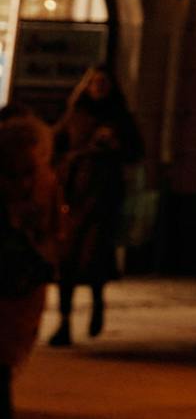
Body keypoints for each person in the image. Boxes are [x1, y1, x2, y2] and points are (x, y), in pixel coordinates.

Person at [48, 66, 143, 345]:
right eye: (94, 83)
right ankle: (64, 322)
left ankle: (97, 303)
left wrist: (115, 145)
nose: (98, 88)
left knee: (93, 259)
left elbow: (136, 152)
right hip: (74, 196)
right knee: (66, 261)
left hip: (103, 199)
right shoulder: (76, 115)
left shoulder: (120, 119)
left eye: (103, 83)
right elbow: (56, 146)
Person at [0, 114, 62, 419]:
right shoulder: (44, 180)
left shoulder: (44, 184)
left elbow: (51, 231)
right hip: (22, 288)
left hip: (18, 289)